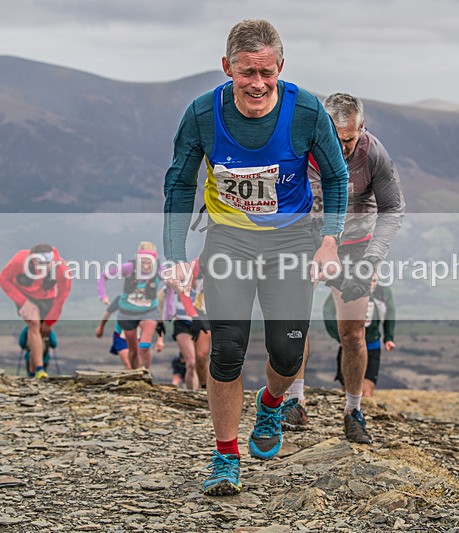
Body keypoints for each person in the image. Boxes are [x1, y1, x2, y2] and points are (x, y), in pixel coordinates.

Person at [163, 19, 349, 496]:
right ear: (228, 68)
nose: (258, 84)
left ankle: (270, 403)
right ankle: (225, 456)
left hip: (290, 243)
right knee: (226, 350)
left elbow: (336, 177)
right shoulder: (202, 114)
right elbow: (180, 183)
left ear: (280, 67)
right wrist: (174, 253)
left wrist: (329, 239)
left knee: (287, 353)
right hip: (229, 241)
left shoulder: (306, 110)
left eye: (267, 72)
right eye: (247, 72)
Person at [282, 92, 405, 443]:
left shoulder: (373, 154)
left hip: (354, 247)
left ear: (361, 128)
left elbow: (393, 210)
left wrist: (370, 263)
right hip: (307, 241)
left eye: (349, 139)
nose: (341, 146)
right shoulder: (301, 147)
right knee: (293, 325)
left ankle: (353, 411)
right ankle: (295, 403)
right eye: (334, 139)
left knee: (353, 333)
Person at [0, 243, 72, 379]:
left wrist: (50, 322)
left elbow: (62, 297)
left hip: (47, 298)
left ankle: (32, 374)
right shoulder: (19, 260)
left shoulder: (62, 269)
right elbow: (3, 279)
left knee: (41, 334)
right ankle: (39, 369)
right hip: (23, 295)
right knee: (33, 323)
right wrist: (23, 302)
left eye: (47, 263)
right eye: (39, 263)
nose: (44, 267)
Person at [96, 241, 163, 370]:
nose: (146, 265)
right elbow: (103, 276)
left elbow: (173, 281)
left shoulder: (160, 270)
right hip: (127, 312)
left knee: (144, 347)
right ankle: (134, 374)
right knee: (133, 351)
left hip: (149, 311)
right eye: (143, 262)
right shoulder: (129, 268)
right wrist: (102, 295)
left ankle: (145, 376)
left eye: (149, 262)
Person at [328, 275, 396, 398]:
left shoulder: (384, 292)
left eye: (374, 281)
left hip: (372, 344)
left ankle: (361, 413)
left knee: (366, 392)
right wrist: (340, 337)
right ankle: (349, 411)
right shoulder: (348, 288)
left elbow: (390, 313)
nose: (371, 284)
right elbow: (328, 311)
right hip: (349, 346)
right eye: (368, 281)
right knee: (348, 389)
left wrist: (389, 338)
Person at [159, 259, 210, 391]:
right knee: (191, 363)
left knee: (202, 359)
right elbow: (163, 292)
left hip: (203, 319)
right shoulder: (184, 272)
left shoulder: (211, 277)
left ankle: (204, 389)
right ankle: (191, 393)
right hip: (183, 320)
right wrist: (160, 319)